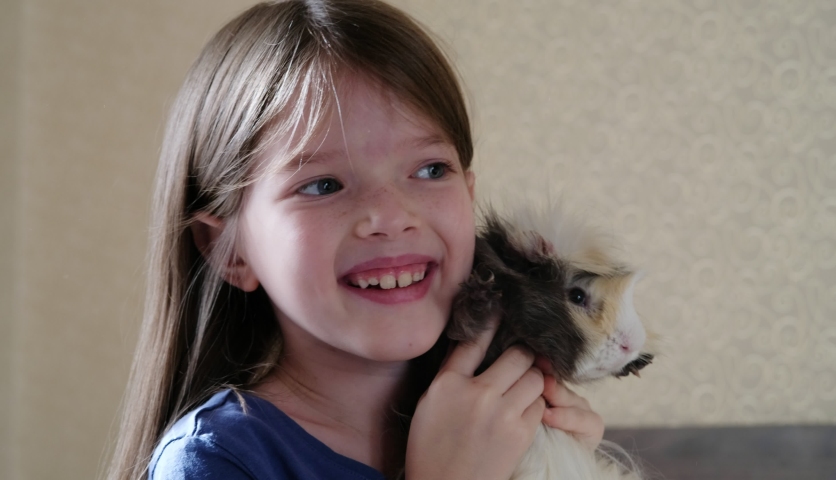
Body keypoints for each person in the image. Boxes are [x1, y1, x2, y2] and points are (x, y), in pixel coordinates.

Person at [108, 1, 604, 479]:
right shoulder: (216, 462)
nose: (391, 216)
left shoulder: (508, 426)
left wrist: (561, 466)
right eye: (323, 185)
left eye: (430, 170)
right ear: (228, 250)